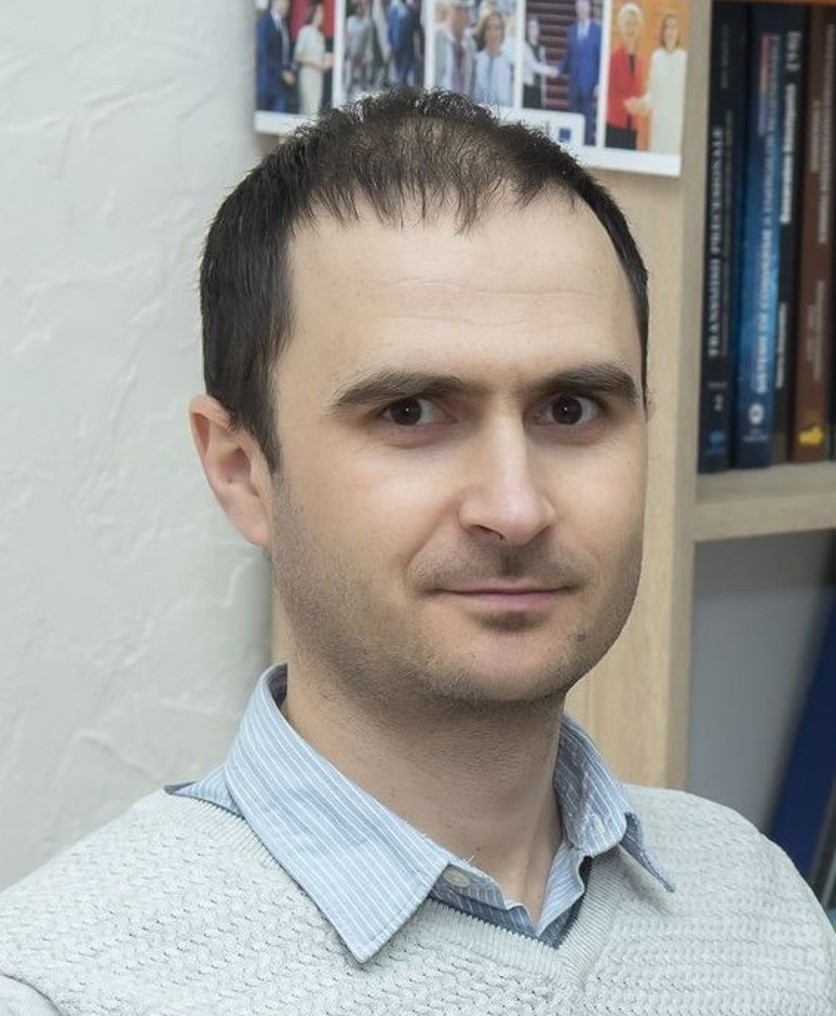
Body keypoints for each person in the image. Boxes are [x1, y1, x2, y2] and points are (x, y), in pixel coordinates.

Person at [0, 89, 834, 1015]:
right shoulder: (61, 989)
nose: (515, 508)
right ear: (242, 471)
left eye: (571, 409)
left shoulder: (759, 907)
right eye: (410, 412)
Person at [627, 10, 687, 155]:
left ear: (678, 31)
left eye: (673, 27)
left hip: (678, 127)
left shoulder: (685, 58)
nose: (669, 31)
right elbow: (652, 96)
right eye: (666, 27)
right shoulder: (657, 57)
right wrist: (641, 103)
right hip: (659, 127)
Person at [559, 0, 602, 145]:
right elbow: (568, 56)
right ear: (576, 10)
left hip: (589, 85)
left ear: (589, 8)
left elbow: (600, 59)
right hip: (574, 84)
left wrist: (599, 83)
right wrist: (558, 70)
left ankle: (586, 147)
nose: (581, 10)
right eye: (579, 7)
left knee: (587, 121)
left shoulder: (598, 31)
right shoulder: (571, 30)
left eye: (584, 7)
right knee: (572, 120)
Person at [605, 1, 644, 150]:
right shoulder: (614, 57)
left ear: (639, 28)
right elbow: (609, 93)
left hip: (632, 127)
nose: (631, 29)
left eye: (634, 24)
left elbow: (638, 92)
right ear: (621, 27)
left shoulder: (640, 60)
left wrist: (640, 104)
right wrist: (626, 104)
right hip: (615, 125)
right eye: (627, 24)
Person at [256, 0, 297, 113]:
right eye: (284, 2)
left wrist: (290, 71)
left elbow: (286, 53)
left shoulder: (285, 25)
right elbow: (263, 54)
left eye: (288, 3)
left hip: (281, 87)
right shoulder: (264, 23)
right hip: (267, 84)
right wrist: (282, 72)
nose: (287, 5)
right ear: (274, 2)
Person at [294, 2, 333, 116]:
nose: (322, 15)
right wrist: (317, 64)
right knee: (309, 109)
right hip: (308, 75)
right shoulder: (305, 31)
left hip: (318, 77)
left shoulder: (320, 36)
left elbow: (322, 60)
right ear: (313, 13)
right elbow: (298, 55)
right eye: (320, 12)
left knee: (315, 109)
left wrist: (328, 61)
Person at [471, 8, 513, 106]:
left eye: (497, 28)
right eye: (489, 28)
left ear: (502, 32)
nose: (493, 33)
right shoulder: (476, 60)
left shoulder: (509, 64)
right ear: (484, 32)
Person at [434, 0, 476, 96]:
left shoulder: (470, 44)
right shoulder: (437, 38)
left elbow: (471, 80)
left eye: (467, 10)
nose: (465, 15)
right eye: (459, 9)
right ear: (450, 10)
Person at [521, 15, 557, 109]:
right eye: (531, 27)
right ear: (527, 30)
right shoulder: (524, 47)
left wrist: (544, 94)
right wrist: (550, 70)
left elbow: (542, 75)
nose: (533, 30)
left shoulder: (541, 49)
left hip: (538, 89)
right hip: (527, 88)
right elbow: (533, 66)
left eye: (535, 27)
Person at [344, 0, 375, 99]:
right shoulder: (350, 21)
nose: (359, 10)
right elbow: (346, 38)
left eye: (361, 7)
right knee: (349, 79)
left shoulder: (367, 23)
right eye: (357, 7)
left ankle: (361, 97)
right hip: (350, 54)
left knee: (362, 80)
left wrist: (366, 55)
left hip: (361, 56)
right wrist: (348, 52)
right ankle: (347, 96)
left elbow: (368, 41)